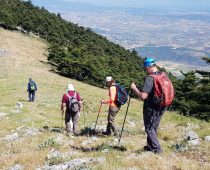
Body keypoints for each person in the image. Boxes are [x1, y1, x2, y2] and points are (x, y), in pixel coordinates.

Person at [131, 58, 169, 154]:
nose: (146, 71)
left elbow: (143, 96)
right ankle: (150, 146)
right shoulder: (163, 74)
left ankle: (157, 149)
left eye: (145, 69)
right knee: (154, 126)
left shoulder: (150, 78)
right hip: (162, 105)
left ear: (148, 67)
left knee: (149, 128)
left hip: (152, 107)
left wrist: (134, 88)